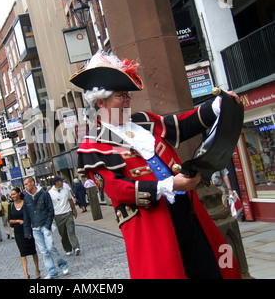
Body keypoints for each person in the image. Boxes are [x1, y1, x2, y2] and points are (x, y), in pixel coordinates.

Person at [71, 51, 242, 279]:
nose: (127, 100)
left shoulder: (144, 121)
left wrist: (217, 106)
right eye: (120, 96)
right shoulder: (93, 145)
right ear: (101, 102)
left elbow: (182, 124)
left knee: (210, 266)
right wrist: (167, 185)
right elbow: (116, 188)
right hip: (150, 223)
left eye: (128, 95)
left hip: (187, 210)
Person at [23, 176, 69, 279]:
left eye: (26, 184)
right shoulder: (26, 198)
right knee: (44, 251)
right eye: (24, 184)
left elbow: (50, 210)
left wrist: (48, 224)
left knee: (50, 247)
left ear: (32, 183)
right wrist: (27, 231)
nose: (25, 186)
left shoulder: (44, 194)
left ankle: (63, 264)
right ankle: (52, 272)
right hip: (35, 228)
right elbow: (26, 215)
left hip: (45, 225)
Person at [8, 187, 40, 279]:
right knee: (22, 252)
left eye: (14, 194)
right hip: (18, 231)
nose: (12, 196)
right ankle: (26, 274)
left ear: (19, 194)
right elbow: (10, 220)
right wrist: (18, 220)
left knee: (33, 250)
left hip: (28, 229)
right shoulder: (10, 206)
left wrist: (29, 228)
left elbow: (31, 215)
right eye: (12, 194)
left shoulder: (25, 203)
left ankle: (37, 269)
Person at [49, 176, 81, 256]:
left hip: (68, 213)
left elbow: (70, 200)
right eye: (60, 181)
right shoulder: (50, 193)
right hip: (58, 215)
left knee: (71, 231)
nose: (62, 182)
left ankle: (76, 247)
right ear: (56, 182)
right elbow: (49, 205)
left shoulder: (66, 190)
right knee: (63, 234)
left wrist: (74, 210)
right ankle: (67, 248)